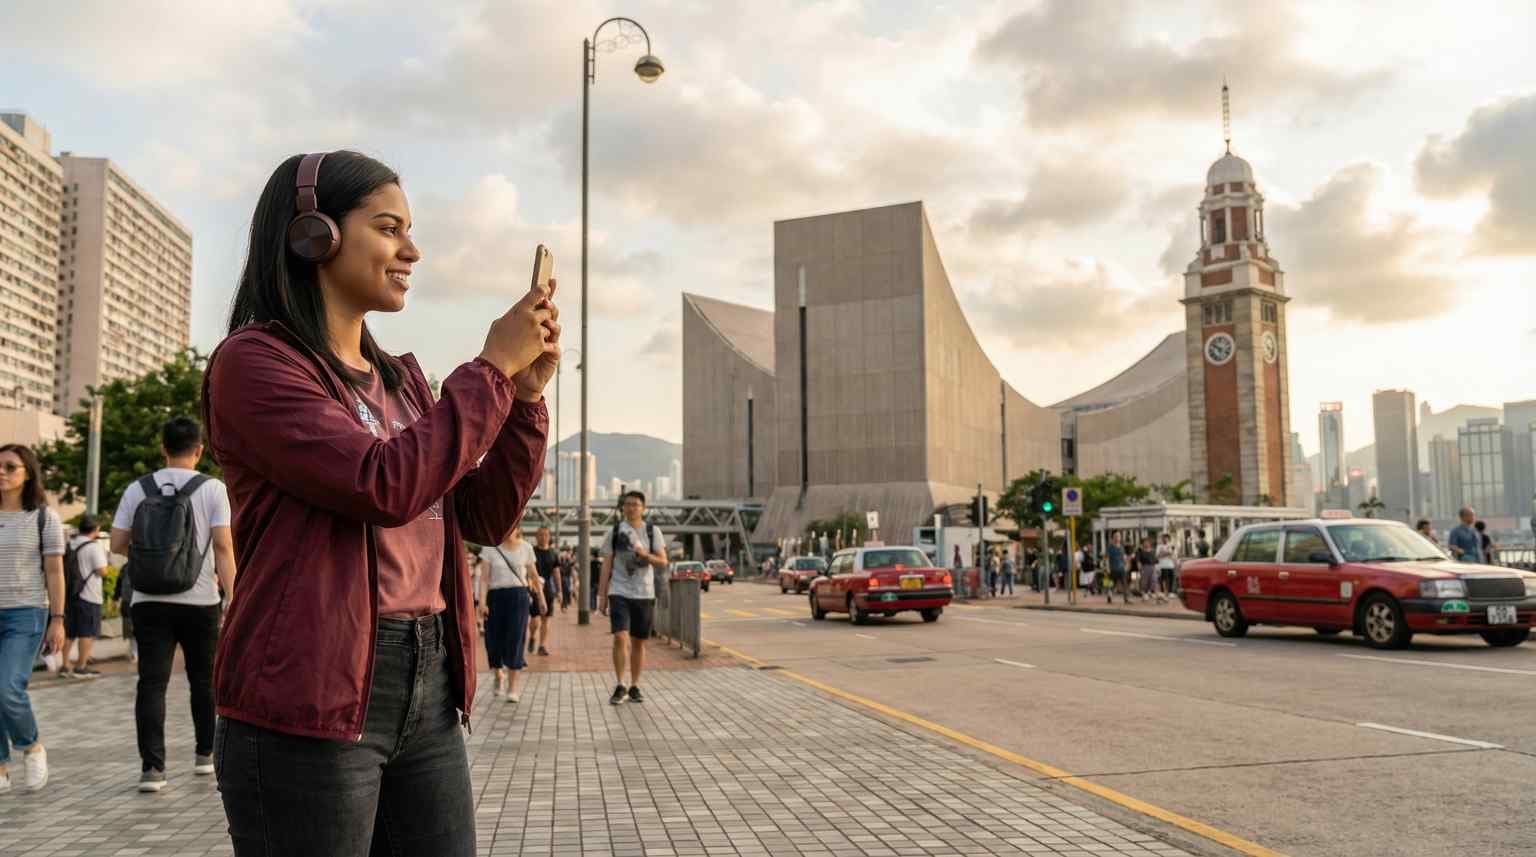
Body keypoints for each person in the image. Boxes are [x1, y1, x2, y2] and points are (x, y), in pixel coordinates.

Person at [203, 151, 555, 856]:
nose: (412, 250)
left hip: (427, 682)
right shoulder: (256, 364)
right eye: (389, 228)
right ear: (315, 234)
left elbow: (484, 518)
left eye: (410, 229)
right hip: (310, 694)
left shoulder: (402, 381)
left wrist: (524, 399)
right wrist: (489, 369)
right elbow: (383, 482)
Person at [110, 417, 238, 793]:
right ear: (199, 450)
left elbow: (117, 544)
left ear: (162, 448)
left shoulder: (138, 489)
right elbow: (224, 547)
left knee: (152, 683)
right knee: (203, 680)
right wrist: (233, 594)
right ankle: (205, 756)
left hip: (149, 600)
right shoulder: (213, 488)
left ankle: (153, 770)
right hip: (199, 600)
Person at [0, 444, 65, 793]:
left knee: (7, 688)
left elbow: (55, 572)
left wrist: (58, 618)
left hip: (26, 613)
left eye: (10, 467)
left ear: (27, 473)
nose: (3, 473)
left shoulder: (43, 516)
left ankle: (31, 745)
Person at [598, 490, 668, 705]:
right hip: (619, 591)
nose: (631, 508)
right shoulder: (615, 531)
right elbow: (607, 564)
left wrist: (646, 556)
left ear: (643, 508)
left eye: (635, 504)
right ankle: (620, 684)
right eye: (627, 504)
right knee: (620, 637)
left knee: (639, 642)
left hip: (644, 592)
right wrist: (602, 595)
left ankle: (635, 685)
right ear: (623, 508)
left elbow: (663, 561)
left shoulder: (652, 531)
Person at [479, 526, 540, 703]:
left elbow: (533, 575)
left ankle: (513, 688)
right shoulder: (489, 548)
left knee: (516, 639)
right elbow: (483, 579)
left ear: (518, 528)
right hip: (495, 597)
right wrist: (482, 602)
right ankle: (498, 673)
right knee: (493, 640)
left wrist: (541, 599)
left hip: (519, 596)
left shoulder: (526, 548)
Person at [61, 514, 109, 679]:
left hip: (70, 594)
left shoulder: (71, 543)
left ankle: (65, 665)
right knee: (87, 632)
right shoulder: (93, 547)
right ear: (95, 529)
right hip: (89, 595)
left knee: (70, 632)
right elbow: (102, 571)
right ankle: (81, 666)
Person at [528, 526, 561, 656]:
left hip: (548, 589)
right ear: (536, 537)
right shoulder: (531, 551)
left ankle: (542, 645)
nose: (543, 537)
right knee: (535, 619)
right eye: (540, 535)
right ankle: (531, 637)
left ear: (549, 536)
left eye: (546, 535)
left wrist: (559, 591)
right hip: (533, 588)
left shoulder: (553, 553)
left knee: (546, 619)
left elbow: (556, 572)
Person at [1106, 533, 1127, 604]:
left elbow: (1123, 557)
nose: (1118, 538)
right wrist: (1108, 567)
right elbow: (1107, 558)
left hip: (1121, 568)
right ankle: (1109, 596)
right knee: (1111, 584)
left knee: (1124, 583)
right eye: (1116, 536)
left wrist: (1126, 562)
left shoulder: (1121, 547)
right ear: (1113, 538)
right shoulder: (1110, 547)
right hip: (1113, 569)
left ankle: (1126, 599)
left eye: (1119, 536)